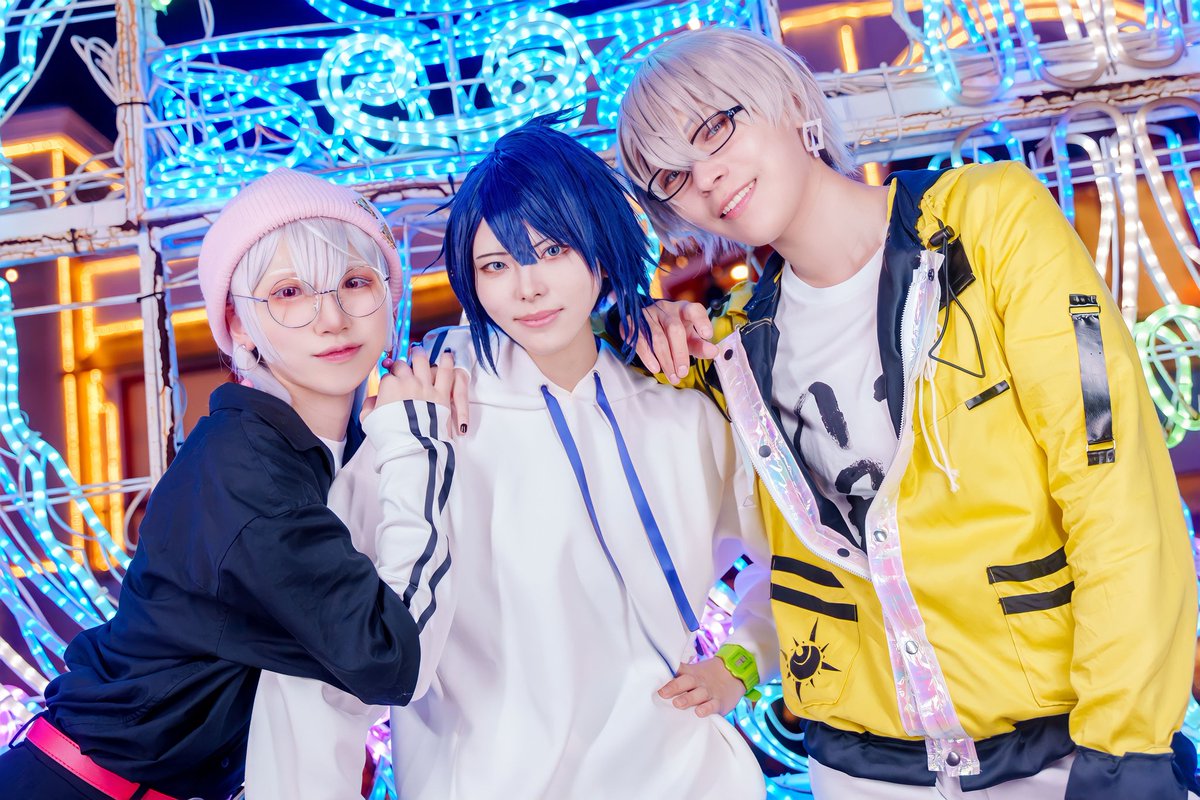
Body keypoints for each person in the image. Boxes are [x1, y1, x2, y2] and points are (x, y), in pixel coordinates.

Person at [613, 24, 1198, 800]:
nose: (706, 177)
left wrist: (1125, 747)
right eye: (672, 175)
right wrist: (623, 326)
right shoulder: (728, 349)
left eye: (715, 128)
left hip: (1060, 754)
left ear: (789, 101)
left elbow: (1112, 481)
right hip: (859, 770)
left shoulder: (988, 223)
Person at [0, 167, 454, 800]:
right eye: (289, 292)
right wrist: (418, 442)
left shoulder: (331, 454)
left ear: (388, 296)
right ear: (240, 326)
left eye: (355, 282)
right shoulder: (244, 465)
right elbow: (393, 659)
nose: (331, 317)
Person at [372, 113, 773, 799]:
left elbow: (791, 561)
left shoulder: (682, 421)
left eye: (552, 250)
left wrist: (741, 661)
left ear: (601, 251)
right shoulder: (430, 412)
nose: (526, 287)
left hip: (684, 777)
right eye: (495, 266)